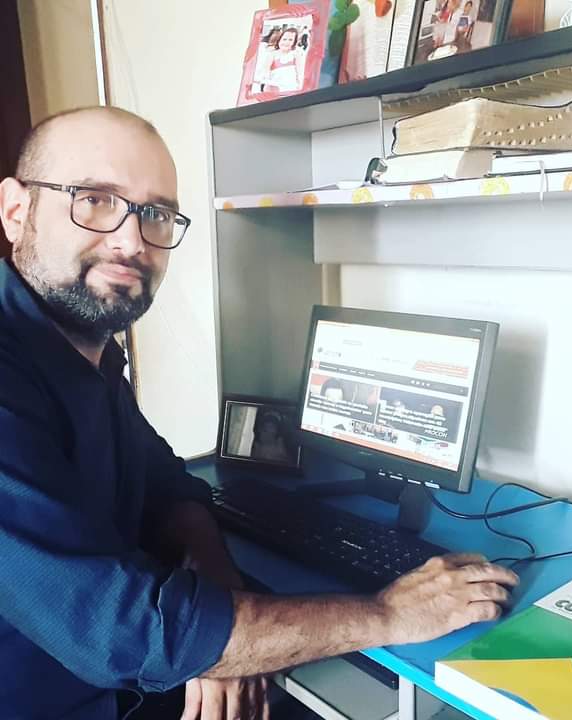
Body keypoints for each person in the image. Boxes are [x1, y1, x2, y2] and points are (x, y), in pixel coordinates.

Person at [0, 106, 518, 720]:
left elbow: (168, 484)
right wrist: (390, 614)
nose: (131, 241)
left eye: (156, 213)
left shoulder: (86, 357)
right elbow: (125, 632)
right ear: (16, 211)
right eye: (94, 199)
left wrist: (220, 592)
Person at [262, 27, 302, 93]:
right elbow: (266, 70)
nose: (286, 42)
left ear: (294, 42)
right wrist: (267, 81)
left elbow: (299, 73)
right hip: (274, 87)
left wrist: (299, 86)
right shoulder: (272, 54)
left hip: (291, 88)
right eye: (284, 39)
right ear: (279, 40)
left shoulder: (295, 55)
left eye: (290, 40)